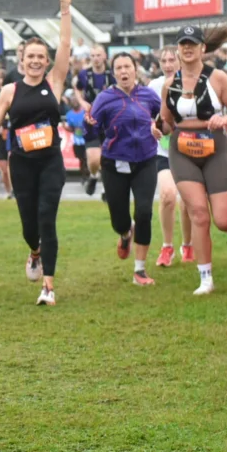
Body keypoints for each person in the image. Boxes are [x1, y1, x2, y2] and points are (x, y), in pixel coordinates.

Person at [0, 0, 75, 306]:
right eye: (30, 57)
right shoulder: (9, 91)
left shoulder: (55, 83)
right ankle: (34, 251)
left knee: (47, 217)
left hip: (50, 161)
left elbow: (65, 43)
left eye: (40, 57)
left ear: (46, 61)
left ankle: (48, 286)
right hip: (21, 163)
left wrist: (65, 8)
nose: (35, 61)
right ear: (21, 60)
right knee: (29, 226)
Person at [159, 25, 227, 296]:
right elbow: (166, 122)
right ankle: (206, 278)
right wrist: (158, 128)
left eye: (192, 43)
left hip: (215, 147)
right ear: (177, 49)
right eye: (183, 43)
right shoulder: (169, 84)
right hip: (182, 150)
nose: (187, 48)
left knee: (221, 219)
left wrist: (224, 118)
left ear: (202, 48)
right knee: (198, 213)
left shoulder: (218, 78)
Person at [90, 53, 162, 286]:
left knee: (144, 212)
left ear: (135, 69)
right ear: (113, 73)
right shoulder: (105, 98)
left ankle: (139, 270)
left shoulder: (149, 96)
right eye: (119, 68)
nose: (123, 71)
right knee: (119, 221)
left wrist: (161, 127)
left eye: (127, 67)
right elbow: (91, 129)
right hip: (113, 163)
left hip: (145, 160)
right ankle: (124, 234)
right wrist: (88, 124)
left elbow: (164, 120)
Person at [147, 47, 193, 266]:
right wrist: (151, 126)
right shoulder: (154, 86)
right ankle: (167, 247)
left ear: (180, 60)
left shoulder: (192, 83)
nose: (167, 64)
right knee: (167, 195)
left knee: (187, 202)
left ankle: (188, 244)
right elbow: (146, 114)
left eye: (171, 60)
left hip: (188, 149)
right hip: (162, 150)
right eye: (163, 60)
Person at [74, 45, 112, 197]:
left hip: (110, 121)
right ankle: (94, 175)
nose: (96, 58)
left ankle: (105, 189)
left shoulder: (112, 73)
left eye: (98, 55)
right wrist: (82, 102)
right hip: (91, 120)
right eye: (93, 55)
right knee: (94, 158)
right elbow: (77, 88)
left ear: (104, 56)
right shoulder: (84, 74)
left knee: (109, 156)